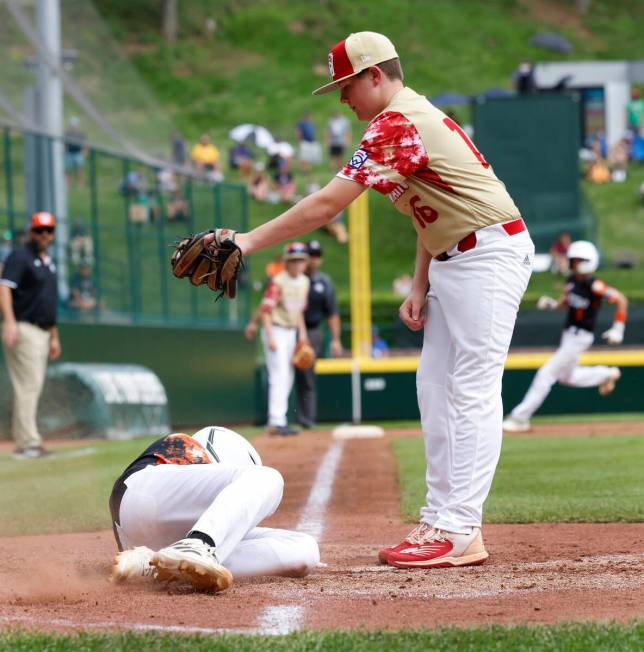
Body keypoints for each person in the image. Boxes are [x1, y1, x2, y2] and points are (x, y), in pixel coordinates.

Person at [206, 31, 534, 569]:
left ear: (374, 74)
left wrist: (244, 241)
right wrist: (420, 281)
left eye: (345, 85)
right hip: (457, 254)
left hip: (488, 254)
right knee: (433, 385)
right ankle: (444, 518)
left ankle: (458, 528)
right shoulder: (401, 121)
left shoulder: (398, 123)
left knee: (471, 389)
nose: (342, 99)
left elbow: (325, 206)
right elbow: (433, 206)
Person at [110, 426, 320, 591]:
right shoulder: (187, 447)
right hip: (143, 490)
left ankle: (158, 563)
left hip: (149, 539)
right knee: (270, 477)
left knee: (304, 549)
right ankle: (198, 545)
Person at [502, 241, 627, 433]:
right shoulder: (573, 281)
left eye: (578, 260)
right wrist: (551, 305)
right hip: (569, 336)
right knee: (567, 377)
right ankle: (606, 374)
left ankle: (520, 418)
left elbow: (621, 300)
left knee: (546, 374)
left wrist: (618, 328)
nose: (574, 264)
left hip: (580, 337)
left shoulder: (594, 285)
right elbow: (565, 304)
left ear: (589, 261)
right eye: (573, 260)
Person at [0, 212, 62, 459]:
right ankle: (28, 443)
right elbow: (4, 287)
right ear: (31, 232)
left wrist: (54, 335)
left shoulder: (48, 261)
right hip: (24, 328)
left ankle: (28, 441)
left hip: (43, 331)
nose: (44, 235)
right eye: (39, 230)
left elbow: (48, 302)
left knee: (32, 386)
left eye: (48, 230)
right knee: (28, 386)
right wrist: (10, 322)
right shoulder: (20, 256)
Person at [260, 242, 310, 436]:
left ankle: (280, 419)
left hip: (290, 332)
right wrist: (271, 337)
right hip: (276, 330)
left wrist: (302, 335)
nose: (297, 264)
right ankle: (275, 420)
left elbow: (299, 312)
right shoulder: (278, 281)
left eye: (300, 261)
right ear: (286, 263)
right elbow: (266, 311)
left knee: (287, 376)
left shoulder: (304, 281)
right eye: (293, 261)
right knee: (278, 375)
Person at [294, 240, 342, 429]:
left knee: (307, 375)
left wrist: (336, 340)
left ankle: (306, 419)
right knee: (284, 374)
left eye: (316, 256)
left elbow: (332, 313)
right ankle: (281, 418)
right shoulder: (294, 279)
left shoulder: (323, 282)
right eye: (310, 255)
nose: (313, 260)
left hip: (312, 331)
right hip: (289, 330)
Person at [295, 111, 321, 175]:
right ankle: (303, 171)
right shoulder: (301, 124)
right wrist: (300, 140)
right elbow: (298, 132)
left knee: (309, 158)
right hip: (304, 141)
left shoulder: (311, 123)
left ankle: (308, 171)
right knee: (304, 158)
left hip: (311, 142)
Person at [64, 116, 87, 186]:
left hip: (78, 154)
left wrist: (84, 152)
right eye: (72, 125)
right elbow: (65, 144)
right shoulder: (67, 134)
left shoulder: (81, 134)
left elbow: (85, 144)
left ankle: (80, 184)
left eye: (75, 125)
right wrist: (65, 151)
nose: (73, 127)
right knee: (68, 170)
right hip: (69, 154)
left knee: (80, 170)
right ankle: (68, 184)